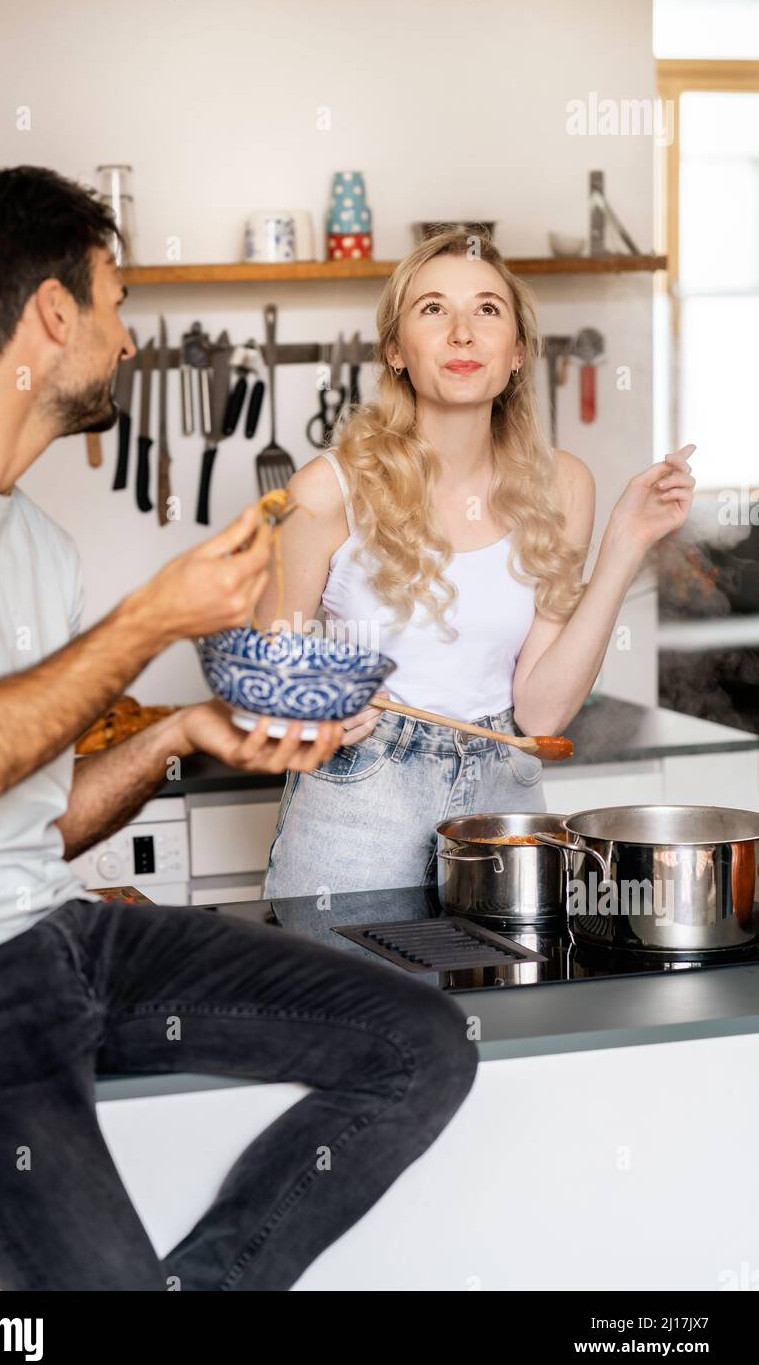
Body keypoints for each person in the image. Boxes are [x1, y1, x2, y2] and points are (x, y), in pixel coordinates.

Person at [0, 167, 477, 1291]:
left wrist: (182, 733)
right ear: (53, 315)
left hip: (62, 939)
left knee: (423, 1045)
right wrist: (146, 621)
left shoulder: (36, 545)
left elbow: (36, 821)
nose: (126, 338)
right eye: (113, 303)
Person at [260, 227, 696, 900]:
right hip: (358, 798)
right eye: (432, 309)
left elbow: (542, 713)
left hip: (502, 796)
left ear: (517, 351)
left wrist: (624, 545)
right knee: (355, 1006)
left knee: (506, 1005)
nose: (462, 333)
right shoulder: (326, 490)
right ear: (395, 350)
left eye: (487, 310)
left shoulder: (563, 487)